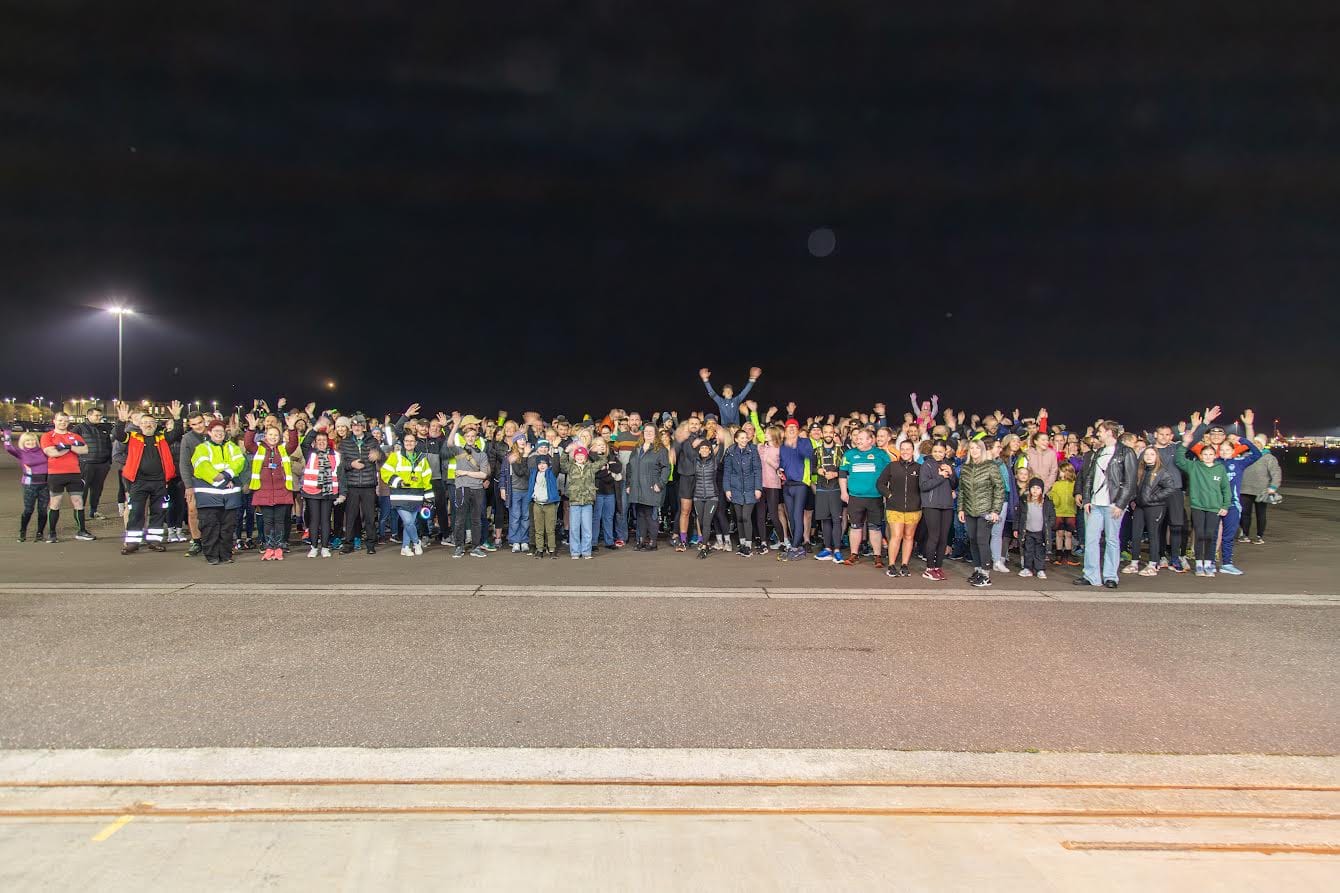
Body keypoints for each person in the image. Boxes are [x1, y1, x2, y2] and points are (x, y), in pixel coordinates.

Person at [115, 400, 183, 554]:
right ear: (140, 425)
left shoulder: (162, 437)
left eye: (151, 422)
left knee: (158, 512)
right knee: (136, 512)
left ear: (156, 425)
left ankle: (154, 541)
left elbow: (177, 432)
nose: (148, 425)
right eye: (145, 422)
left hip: (160, 482)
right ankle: (132, 543)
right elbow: (118, 435)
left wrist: (177, 418)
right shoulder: (133, 436)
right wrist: (121, 421)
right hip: (138, 482)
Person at [1074, 421, 1137, 589]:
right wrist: (1087, 499)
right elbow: (1089, 477)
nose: (1098, 434)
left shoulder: (1126, 452)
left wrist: (1121, 504)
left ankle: (1110, 576)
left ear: (1109, 432)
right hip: (1095, 504)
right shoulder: (1099, 452)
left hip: (1113, 504)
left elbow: (1130, 482)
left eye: (1100, 431)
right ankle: (1091, 575)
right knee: (1091, 540)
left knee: (1112, 540)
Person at [189, 418, 247, 565]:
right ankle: (212, 556)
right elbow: (202, 467)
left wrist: (225, 476)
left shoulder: (232, 447)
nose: (219, 434)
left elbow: (239, 462)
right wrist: (224, 480)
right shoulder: (202, 448)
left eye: (221, 431)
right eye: (216, 431)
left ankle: (226, 555)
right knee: (210, 527)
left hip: (230, 497)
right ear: (209, 432)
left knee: (228, 527)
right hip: (209, 496)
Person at [1176, 429, 1233, 577]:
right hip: (1198, 506)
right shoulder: (1194, 467)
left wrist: (1225, 505)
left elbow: (1226, 489)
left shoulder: (1220, 469)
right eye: (1205, 454)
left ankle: (1208, 563)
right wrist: (1185, 444)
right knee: (1200, 534)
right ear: (1200, 456)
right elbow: (1179, 460)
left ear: (1215, 456)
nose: (1208, 457)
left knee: (1210, 535)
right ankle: (1199, 564)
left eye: (1210, 454)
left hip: (1214, 507)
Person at [957, 439, 1005, 587]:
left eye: (977, 448)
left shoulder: (990, 466)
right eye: (972, 448)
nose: (974, 451)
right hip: (970, 509)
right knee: (972, 539)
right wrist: (961, 508)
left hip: (986, 510)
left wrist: (995, 510)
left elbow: (999, 488)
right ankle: (977, 570)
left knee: (982, 540)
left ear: (982, 450)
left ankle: (985, 573)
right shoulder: (966, 468)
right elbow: (962, 490)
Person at [40, 412, 94, 542]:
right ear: (54, 421)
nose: (63, 423)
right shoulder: (48, 436)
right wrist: (72, 448)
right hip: (55, 474)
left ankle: (81, 531)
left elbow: (85, 450)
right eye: (60, 420)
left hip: (74, 473)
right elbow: (51, 452)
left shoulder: (75, 436)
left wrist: (65, 447)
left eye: (65, 421)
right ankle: (52, 533)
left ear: (68, 422)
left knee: (78, 502)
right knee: (55, 503)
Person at [1125, 447, 1179, 576]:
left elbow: (1170, 488)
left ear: (1157, 456)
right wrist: (1134, 499)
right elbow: (1134, 487)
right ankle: (1134, 562)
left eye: (1152, 454)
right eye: (1146, 454)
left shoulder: (1162, 471)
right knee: (1135, 534)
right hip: (1139, 507)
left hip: (1155, 507)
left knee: (1153, 535)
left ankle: (1152, 564)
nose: (1149, 456)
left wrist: (1153, 498)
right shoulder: (1140, 470)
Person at [443, 415, 490, 558]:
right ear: (464, 437)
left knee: (476, 519)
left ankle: (476, 547)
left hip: (477, 489)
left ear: (476, 437)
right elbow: (449, 442)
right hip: (462, 488)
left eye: (473, 436)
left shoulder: (482, 455)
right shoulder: (459, 451)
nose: (470, 438)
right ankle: (459, 546)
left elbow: (483, 474)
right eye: (468, 436)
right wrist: (456, 425)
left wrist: (465, 472)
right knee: (460, 519)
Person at [380, 431, 434, 557]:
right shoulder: (395, 456)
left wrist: (429, 498)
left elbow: (427, 478)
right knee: (408, 521)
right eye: (407, 441)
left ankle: (405, 547)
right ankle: (416, 542)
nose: (409, 443)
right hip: (400, 495)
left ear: (415, 443)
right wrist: (399, 482)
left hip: (416, 495)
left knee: (409, 524)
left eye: (411, 441)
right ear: (403, 443)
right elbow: (385, 472)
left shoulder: (422, 458)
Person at [247, 424, 297, 560]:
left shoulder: (283, 449)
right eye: (270, 434)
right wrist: (251, 429)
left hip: (282, 490)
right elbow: (248, 444)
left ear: (279, 437)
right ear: (265, 436)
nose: (273, 437)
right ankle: (269, 547)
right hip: (263, 491)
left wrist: (292, 428)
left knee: (280, 521)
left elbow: (294, 443)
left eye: (276, 435)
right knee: (268, 521)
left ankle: (279, 548)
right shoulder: (259, 448)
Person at [876, 439, 922, 578]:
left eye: (908, 449)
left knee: (909, 537)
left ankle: (904, 565)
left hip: (914, 509)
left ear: (913, 451)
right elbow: (880, 484)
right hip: (894, 507)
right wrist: (890, 495)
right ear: (899, 450)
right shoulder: (892, 466)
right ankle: (891, 565)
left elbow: (924, 486)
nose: (905, 451)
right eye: (903, 449)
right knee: (896, 536)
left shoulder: (919, 468)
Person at [336, 414, 380, 555]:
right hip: (352, 484)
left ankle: (371, 544)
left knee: (369, 516)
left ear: (364, 427)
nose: (357, 427)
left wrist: (378, 456)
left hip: (368, 484)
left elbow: (382, 457)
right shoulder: (345, 442)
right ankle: (348, 544)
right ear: (351, 427)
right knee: (351, 517)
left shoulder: (372, 440)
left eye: (359, 425)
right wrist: (351, 464)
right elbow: (341, 465)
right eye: (354, 425)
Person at [625, 423, 670, 551]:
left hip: (651, 487)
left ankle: (653, 542)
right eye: (646, 431)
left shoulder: (660, 450)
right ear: (643, 433)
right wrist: (629, 484)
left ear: (655, 434)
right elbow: (629, 467)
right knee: (640, 514)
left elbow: (666, 468)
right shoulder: (637, 448)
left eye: (651, 431)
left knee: (650, 515)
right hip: (637, 487)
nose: (648, 433)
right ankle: (641, 540)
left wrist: (660, 484)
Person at [918, 440, 957, 581]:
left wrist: (951, 474)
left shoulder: (949, 464)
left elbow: (954, 484)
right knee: (933, 536)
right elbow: (923, 486)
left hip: (947, 505)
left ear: (945, 452)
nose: (937, 454)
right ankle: (929, 568)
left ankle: (938, 567)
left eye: (940, 451)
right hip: (931, 505)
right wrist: (941, 477)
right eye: (935, 451)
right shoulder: (926, 465)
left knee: (943, 537)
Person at [299, 428, 340, 557]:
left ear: (328, 442)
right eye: (319, 440)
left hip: (329, 492)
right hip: (312, 491)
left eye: (324, 440)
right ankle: (314, 547)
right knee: (314, 520)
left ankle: (325, 547)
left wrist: (342, 492)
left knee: (326, 520)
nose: (321, 442)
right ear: (315, 442)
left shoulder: (335, 455)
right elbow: (304, 443)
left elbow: (340, 474)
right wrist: (315, 429)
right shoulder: (310, 453)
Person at [723, 426, 762, 557]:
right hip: (736, 488)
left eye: (746, 438)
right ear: (736, 439)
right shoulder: (730, 451)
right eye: (742, 438)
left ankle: (748, 545)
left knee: (746, 516)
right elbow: (727, 471)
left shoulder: (753, 450)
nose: (745, 440)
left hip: (750, 488)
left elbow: (757, 470)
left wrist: (758, 488)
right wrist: (727, 489)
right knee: (739, 518)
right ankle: (742, 543)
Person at [778, 419, 815, 561]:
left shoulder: (805, 442)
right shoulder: (783, 446)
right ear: (785, 430)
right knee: (791, 517)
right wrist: (779, 470)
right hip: (787, 485)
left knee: (797, 515)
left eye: (794, 427)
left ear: (798, 430)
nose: (792, 429)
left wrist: (795, 445)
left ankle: (794, 548)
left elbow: (809, 455)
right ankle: (796, 546)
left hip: (800, 484)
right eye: (789, 427)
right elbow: (782, 463)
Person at [4, 429, 48, 542]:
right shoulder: (21, 452)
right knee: (28, 510)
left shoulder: (43, 451)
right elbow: (8, 447)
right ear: (23, 442)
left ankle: (40, 533)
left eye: (33, 440)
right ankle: (23, 531)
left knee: (43, 510)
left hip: (45, 484)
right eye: (27, 440)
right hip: (30, 485)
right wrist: (7, 433)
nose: (31, 442)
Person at [1239, 433, 1282, 545]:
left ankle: (1259, 536)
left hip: (1261, 491)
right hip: (1244, 489)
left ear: (1263, 444)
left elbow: (1276, 473)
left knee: (1260, 514)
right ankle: (1244, 534)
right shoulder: (1245, 455)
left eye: (1258, 442)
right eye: (1254, 442)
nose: (1256, 444)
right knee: (1244, 513)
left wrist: (1273, 487)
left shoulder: (1269, 458)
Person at [811, 424, 845, 562]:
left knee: (836, 519)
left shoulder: (842, 450)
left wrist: (836, 474)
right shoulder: (816, 451)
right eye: (826, 432)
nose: (828, 434)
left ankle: (837, 550)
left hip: (836, 488)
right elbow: (811, 467)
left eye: (831, 432)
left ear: (834, 434)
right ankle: (827, 549)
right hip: (821, 488)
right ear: (822, 434)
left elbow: (846, 469)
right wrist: (818, 470)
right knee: (825, 519)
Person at [74, 406, 114, 519]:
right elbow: (71, 443)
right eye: (96, 415)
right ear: (88, 416)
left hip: (102, 464)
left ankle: (94, 511)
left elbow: (109, 445)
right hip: (86, 464)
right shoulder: (79, 428)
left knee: (97, 489)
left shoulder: (103, 428)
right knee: (83, 490)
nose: (99, 417)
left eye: (100, 415)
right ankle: (80, 513)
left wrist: (108, 462)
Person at [687, 434, 723, 559]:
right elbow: (687, 450)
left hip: (712, 497)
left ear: (710, 450)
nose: (703, 450)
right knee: (701, 522)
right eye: (701, 448)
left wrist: (721, 440)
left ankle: (704, 547)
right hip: (698, 496)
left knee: (707, 522)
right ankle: (706, 543)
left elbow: (721, 450)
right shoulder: (695, 461)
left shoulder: (714, 461)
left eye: (706, 448)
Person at [559, 443, 598, 559]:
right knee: (574, 528)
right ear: (574, 456)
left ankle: (586, 551)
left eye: (582, 455)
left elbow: (601, 462)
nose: (580, 457)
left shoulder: (590, 467)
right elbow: (562, 463)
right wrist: (566, 452)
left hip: (587, 501)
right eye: (578, 455)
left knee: (587, 528)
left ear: (586, 457)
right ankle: (575, 551)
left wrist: (597, 452)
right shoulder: (571, 467)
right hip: (574, 501)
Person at [1014, 477, 1056, 579]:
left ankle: (1040, 569)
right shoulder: (1024, 501)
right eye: (1033, 488)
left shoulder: (1047, 503)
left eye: (1038, 488)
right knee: (1028, 551)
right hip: (1028, 531)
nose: (1035, 490)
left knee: (1040, 552)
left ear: (1042, 490)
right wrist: (1016, 528)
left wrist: (1047, 526)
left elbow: (1052, 517)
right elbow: (1018, 516)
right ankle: (1027, 568)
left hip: (1040, 532)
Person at [500, 436, 532, 553]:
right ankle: (515, 541)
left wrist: (526, 455)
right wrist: (502, 488)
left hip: (527, 490)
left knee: (526, 516)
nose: (522, 441)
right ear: (515, 442)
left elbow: (527, 473)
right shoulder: (509, 456)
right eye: (519, 439)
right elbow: (503, 473)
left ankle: (524, 540)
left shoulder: (530, 454)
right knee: (515, 516)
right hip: (514, 490)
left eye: (524, 439)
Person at [591, 437, 622, 551]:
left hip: (610, 492)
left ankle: (609, 541)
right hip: (597, 491)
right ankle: (593, 542)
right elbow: (595, 473)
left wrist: (606, 468)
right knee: (596, 517)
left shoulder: (611, 456)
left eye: (603, 444)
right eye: (599, 445)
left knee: (608, 517)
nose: (602, 446)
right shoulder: (590, 457)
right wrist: (608, 471)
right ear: (593, 446)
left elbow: (618, 467)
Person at [528, 451, 561, 559]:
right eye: (540, 463)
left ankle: (552, 549)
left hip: (549, 504)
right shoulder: (533, 473)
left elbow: (556, 465)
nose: (542, 466)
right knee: (538, 529)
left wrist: (555, 451)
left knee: (550, 529)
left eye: (544, 463)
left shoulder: (551, 473)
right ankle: (539, 549)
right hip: (537, 503)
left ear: (548, 464)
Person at [1050, 463, 1080, 566]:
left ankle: (1068, 554)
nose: (1060, 473)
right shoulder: (1056, 484)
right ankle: (1058, 554)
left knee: (1068, 534)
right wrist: (1054, 497)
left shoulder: (1074, 484)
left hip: (1071, 513)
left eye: (1062, 471)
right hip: (1058, 512)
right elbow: (1052, 494)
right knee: (1059, 533)